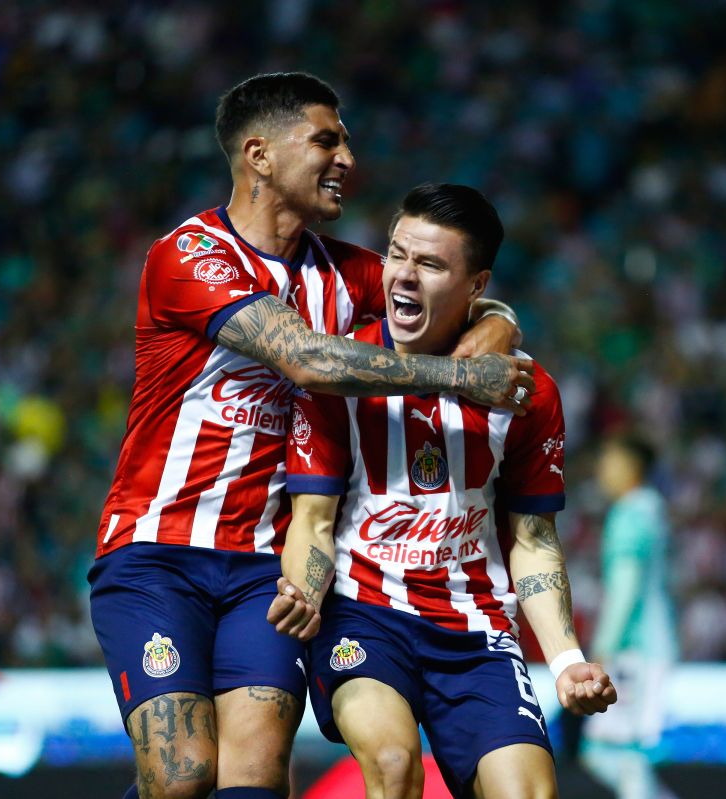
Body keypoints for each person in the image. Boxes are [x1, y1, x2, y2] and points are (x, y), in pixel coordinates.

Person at [88, 74, 533, 799]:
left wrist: (498, 322)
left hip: (267, 567)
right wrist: (456, 377)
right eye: (327, 139)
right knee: (182, 775)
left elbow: (453, 295)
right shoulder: (190, 255)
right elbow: (307, 358)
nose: (348, 158)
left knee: (257, 774)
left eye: (347, 140)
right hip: (155, 553)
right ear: (259, 155)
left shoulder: (347, 272)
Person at [268, 183, 616, 799]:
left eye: (429, 264)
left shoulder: (526, 394)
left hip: (475, 630)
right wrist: (304, 592)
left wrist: (566, 662)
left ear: (477, 286)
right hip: (362, 613)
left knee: (528, 793)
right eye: (397, 254)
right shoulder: (339, 376)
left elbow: (533, 539)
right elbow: (312, 521)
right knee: (395, 763)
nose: (402, 276)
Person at [583, 434, 677, 799]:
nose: (602, 471)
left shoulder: (630, 515)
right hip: (653, 644)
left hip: (634, 649)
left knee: (614, 755)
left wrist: (604, 648)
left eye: (609, 461)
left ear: (631, 467)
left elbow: (626, 588)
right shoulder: (653, 510)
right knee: (628, 757)